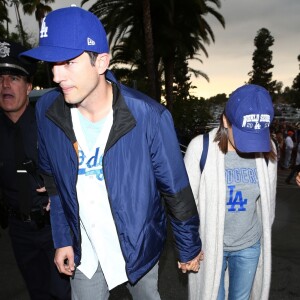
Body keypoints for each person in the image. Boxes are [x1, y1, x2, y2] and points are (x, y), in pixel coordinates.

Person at [20, 6, 202, 300]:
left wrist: (189, 245)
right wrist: (63, 239)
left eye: (67, 62)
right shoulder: (46, 110)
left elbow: (176, 190)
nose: (55, 75)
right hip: (86, 248)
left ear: (101, 61)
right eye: (52, 63)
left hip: (139, 245)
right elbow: (52, 180)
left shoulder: (149, 118)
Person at [184, 84, 277, 300]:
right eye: (245, 133)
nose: (252, 144)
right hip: (210, 246)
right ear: (225, 121)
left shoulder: (268, 147)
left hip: (249, 245)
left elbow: (267, 203)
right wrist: (189, 246)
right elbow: (187, 205)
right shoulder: (200, 148)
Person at [0, 40, 71, 299]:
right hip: (18, 231)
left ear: (29, 87)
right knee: (37, 294)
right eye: (1, 78)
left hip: (53, 227)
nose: (5, 84)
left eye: (15, 78)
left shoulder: (49, 124)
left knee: (62, 294)